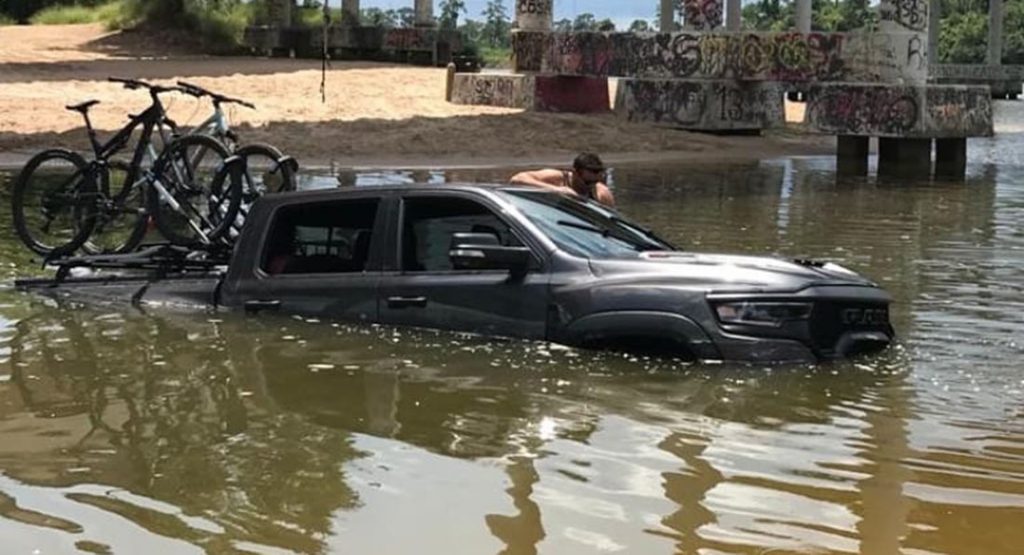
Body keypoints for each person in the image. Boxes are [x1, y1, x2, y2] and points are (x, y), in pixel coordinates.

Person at [509, 152, 616, 208]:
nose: (590, 186)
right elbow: (517, 179)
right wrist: (557, 190)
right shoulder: (558, 178)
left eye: (594, 182)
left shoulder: (601, 194)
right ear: (575, 173)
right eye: (587, 182)